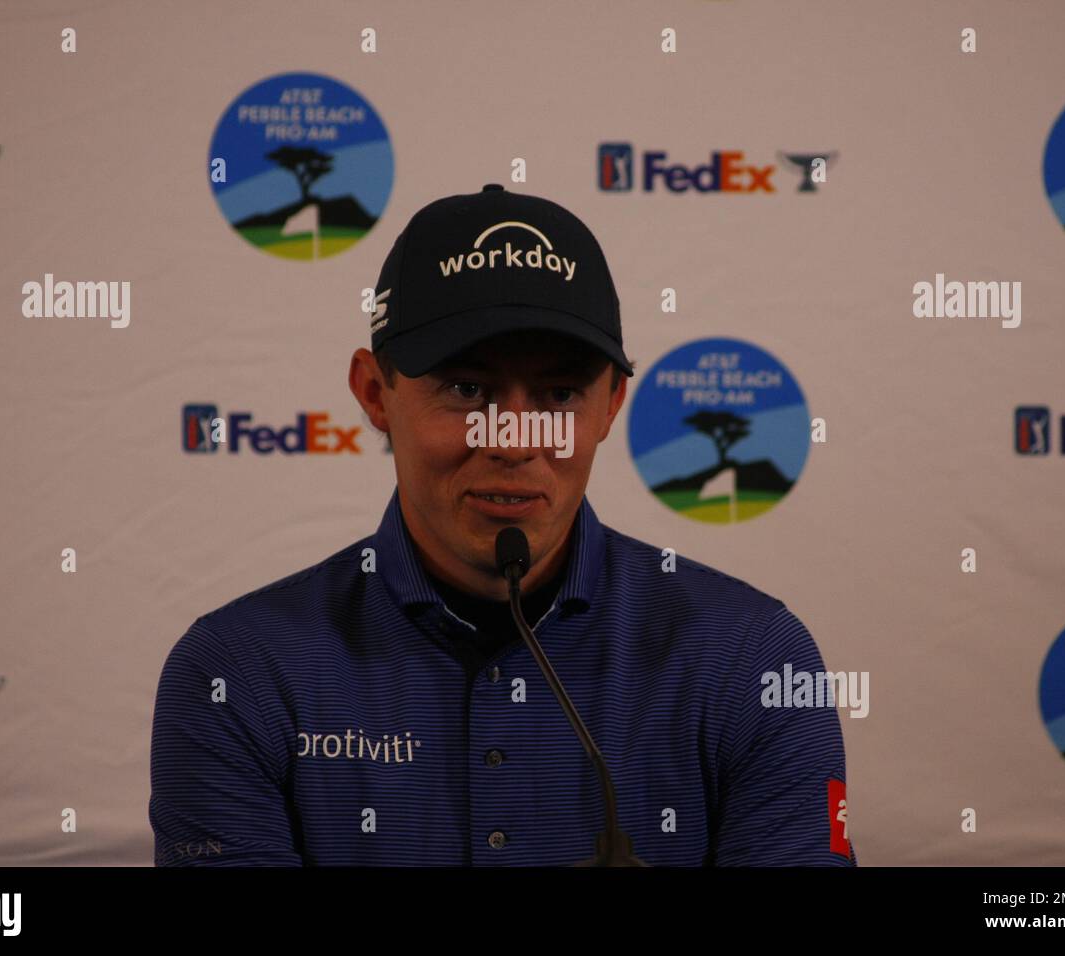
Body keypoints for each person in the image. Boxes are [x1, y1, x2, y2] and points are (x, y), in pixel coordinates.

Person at [149, 184, 857, 866]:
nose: (514, 439)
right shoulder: (236, 673)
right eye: (467, 390)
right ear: (375, 393)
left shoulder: (756, 660)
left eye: (558, 393)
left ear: (612, 405)